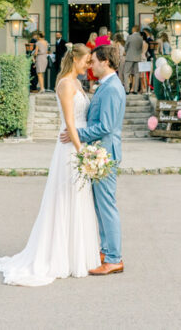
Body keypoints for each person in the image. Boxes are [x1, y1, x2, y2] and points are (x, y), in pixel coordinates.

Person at [0, 44, 100, 286]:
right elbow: (70, 122)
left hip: (79, 142)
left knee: (80, 198)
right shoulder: (65, 83)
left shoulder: (77, 83)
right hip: (71, 148)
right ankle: (60, 256)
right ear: (75, 59)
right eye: (86, 61)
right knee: (65, 198)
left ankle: (79, 255)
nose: (88, 65)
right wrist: (81, 151)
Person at [59, 44, 125, 276]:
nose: (91, 65)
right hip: (100, 152)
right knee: (100, 205)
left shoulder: (111, 88)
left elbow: (106, 126)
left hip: (105, 153)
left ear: (105, 61)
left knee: (107, 206)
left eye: (94, 61)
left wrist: (77, 134)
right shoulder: (106, 86)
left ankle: (114, 258)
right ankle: (106, 251)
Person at [123, 25, 144, 94]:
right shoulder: (141, 38)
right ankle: (135, 90)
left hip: (129, 57)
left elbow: (126, 46)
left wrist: (125, 51)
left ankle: (127, 90)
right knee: (137, 74)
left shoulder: (130, 37)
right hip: (137, 57)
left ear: (134, 29)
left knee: (126, 73)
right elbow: (141, 48)